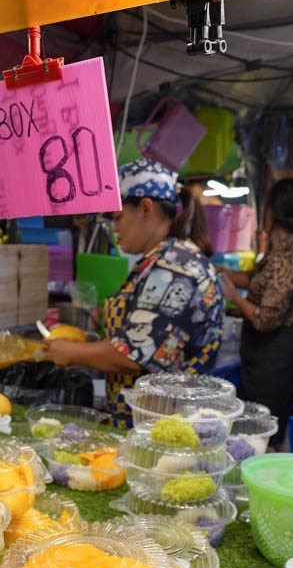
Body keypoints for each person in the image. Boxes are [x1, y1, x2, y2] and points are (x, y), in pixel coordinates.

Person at [44, 159, 225, 427]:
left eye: (117, 218)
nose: (114, 229)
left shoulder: (175, 267)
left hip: (165, 430)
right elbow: (140, 331)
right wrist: (89, 341)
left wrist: (71, 352)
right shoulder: (159, 260)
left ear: (145, 208)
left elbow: (131, 354)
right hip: (145, 423)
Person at [217, 176, 293, 449]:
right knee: (273, 431)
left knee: (265, 437)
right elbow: (256, 281)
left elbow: (265, 319)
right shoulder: (282, 250)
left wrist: (233, 297)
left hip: (278, 358)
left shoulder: (288, 256)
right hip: (272, 355)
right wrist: (223, 272)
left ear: (272, 212)